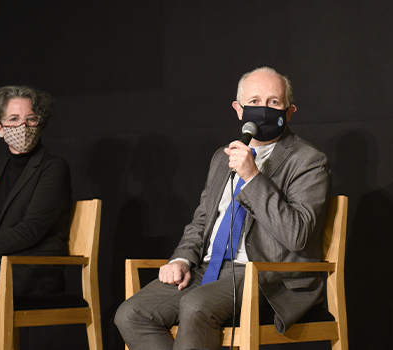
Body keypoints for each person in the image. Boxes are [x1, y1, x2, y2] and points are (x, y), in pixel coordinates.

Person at [115, 66, 332, 350]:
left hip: (267, 275)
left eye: (273, 102)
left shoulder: (308, 161)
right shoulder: (222, 157)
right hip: (209, 268)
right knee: (132, 314)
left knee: (195, 306)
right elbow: (202, 220)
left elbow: (297, 235)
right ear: (238, 109)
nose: (263, 109)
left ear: (289, 112)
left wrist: (253, 178)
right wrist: (181, 259)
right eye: (254, 102)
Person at [0, 86, 72, 309]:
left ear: (40, 124)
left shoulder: (53, 167)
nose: (22, 127)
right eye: (13, 119)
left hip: (25, 268)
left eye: (30, 119)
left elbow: (29, 231)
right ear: (0, 128)